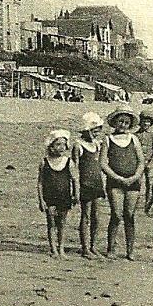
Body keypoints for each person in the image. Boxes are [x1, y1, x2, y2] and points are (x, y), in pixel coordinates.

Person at [100, 106, 143, 260]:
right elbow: (103, 163)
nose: (123, 125)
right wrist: (117, 177)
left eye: (126, 122)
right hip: (115, 182)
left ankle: (130, 250)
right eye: (121, 121)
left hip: (133, 183)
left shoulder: (134, 139)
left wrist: (135, 177)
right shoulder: (107, 139)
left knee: (129, 216)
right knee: (117, 215)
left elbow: (141, 162)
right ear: (115, 122)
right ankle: (111, 248)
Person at [37, 130, 77, 258]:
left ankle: (61, 249)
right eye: (58, 144)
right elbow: (40, 183)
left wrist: (76, 194)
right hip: (50, 197)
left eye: (63, 145)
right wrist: (41, 200)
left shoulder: (68, 162)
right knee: (51, 223)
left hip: (64, 196)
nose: (61, 148)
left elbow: (75, 179)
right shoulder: (45, 162)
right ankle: (53, 249)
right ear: (51, 146)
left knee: (62, 224)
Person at [73, 112, 106, 259]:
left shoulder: (97, 145)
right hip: (85, 183)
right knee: (86, 216)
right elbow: (75, 167)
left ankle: (93, 246)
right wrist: (76, 187)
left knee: (96, 216)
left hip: (97, 182)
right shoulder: (78, 145)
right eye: (93, 130)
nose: (96, 132)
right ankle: (85, 247)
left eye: (98, 129)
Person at [135, 111, 153, 204]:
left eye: (148, 121)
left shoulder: (152, 135)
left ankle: (148, 203)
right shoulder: (135, 135)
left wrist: (151, 163)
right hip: (138, 163)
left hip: (149, 162)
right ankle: (135, 201)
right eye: (144, 121)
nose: (146, 123)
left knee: (150, 183)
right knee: (138, 182)